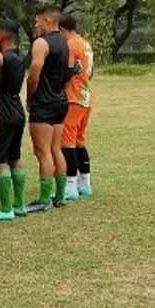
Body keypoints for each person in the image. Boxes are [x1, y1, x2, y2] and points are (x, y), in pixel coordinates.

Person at [25, 5, 73, 212]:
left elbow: (34, 71)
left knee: (42, 151)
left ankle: (44, 199)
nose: (35, 26)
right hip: (60, 101)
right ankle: (60, 195)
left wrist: (30, 95)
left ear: (48, 21)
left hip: (43, 103)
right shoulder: (64, 42)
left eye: (37, 22)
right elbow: (68, 71)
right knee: (55, 149)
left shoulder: (41, 43)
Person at [0, 20, 28, 221]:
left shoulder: (2, 58)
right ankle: (19, 204)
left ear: (4, 36)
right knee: (15, 156)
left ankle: (5, 208)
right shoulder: (20, 56)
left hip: (2, 110)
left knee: (0, 159)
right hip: (17, 108)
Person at [60, 15, 94, 199]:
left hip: (73, 97)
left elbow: (68, 70)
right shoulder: (85, 43)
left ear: (63, 30)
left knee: (68, 142)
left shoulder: (71, 45)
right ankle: (85, 183)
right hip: (86, 96)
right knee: (79, 141)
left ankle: (71, 186)